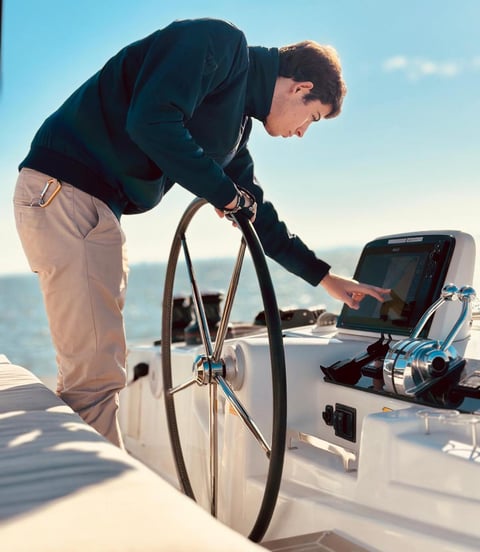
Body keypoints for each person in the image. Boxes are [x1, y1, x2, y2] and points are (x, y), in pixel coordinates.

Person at [13, 18, 390, 448]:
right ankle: (97, 499)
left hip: (91, 207)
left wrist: (324, 278)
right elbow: (150, 121)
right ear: (300, 88)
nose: (302, 132)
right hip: (66, 190)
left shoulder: (233, 132)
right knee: (94, 377)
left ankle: (98, 480)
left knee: (99, 367)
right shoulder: (220, 44)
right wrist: (222, 192)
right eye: (313, 118)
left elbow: (257, 214)